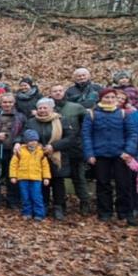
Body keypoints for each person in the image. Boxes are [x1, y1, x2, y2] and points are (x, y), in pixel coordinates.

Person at [82, 88, 138, 223]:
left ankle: (125, 212)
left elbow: (132, 134)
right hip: (100, 154)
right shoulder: (91, 114)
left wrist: (129, 151)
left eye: (112, 97)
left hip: (121, 154)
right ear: (101, 99)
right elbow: (86, 136)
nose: (110, 100)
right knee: (102, 184)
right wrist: (89, 153)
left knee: (124, 184)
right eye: (107, 97)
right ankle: (105, 212)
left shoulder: (124, 114)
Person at [20, 98, 78, 221]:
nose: (42, 110)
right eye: (40, 108)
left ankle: (59, 207)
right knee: (41, 182)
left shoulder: (62, 121)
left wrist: (54, 146)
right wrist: (38, 146)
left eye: (45, 107)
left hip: (57, 156)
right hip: (37, 157)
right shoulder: (31, 122)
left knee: (58, 183)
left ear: (51, 108)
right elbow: (24, 136)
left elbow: (71, 138)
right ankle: (43, 205)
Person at [50, 84, 92, 215]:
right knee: (58, 178)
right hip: (56, 150)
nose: (57, 93)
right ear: (50, 93)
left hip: (74, 148)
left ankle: (85, 202)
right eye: (54, 91)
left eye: (60, 90)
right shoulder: (48, 108)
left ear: (64, 92)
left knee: (78, 177)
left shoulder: (76, 108)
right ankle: (60, 205)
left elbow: (86, 126)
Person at [10, 130, 51, 221]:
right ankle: (27, 212)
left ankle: (39, 214)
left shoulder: (41, 152)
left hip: (36, 178)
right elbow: (13, 164)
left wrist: (46, 177)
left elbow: (45, 166)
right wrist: (13, 176)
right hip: (23, 178)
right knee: (25, 196)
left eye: (35, 140)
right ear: (26, 141)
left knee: (37, 196)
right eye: (31, 140)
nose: (33, 142)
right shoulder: (20, 151)